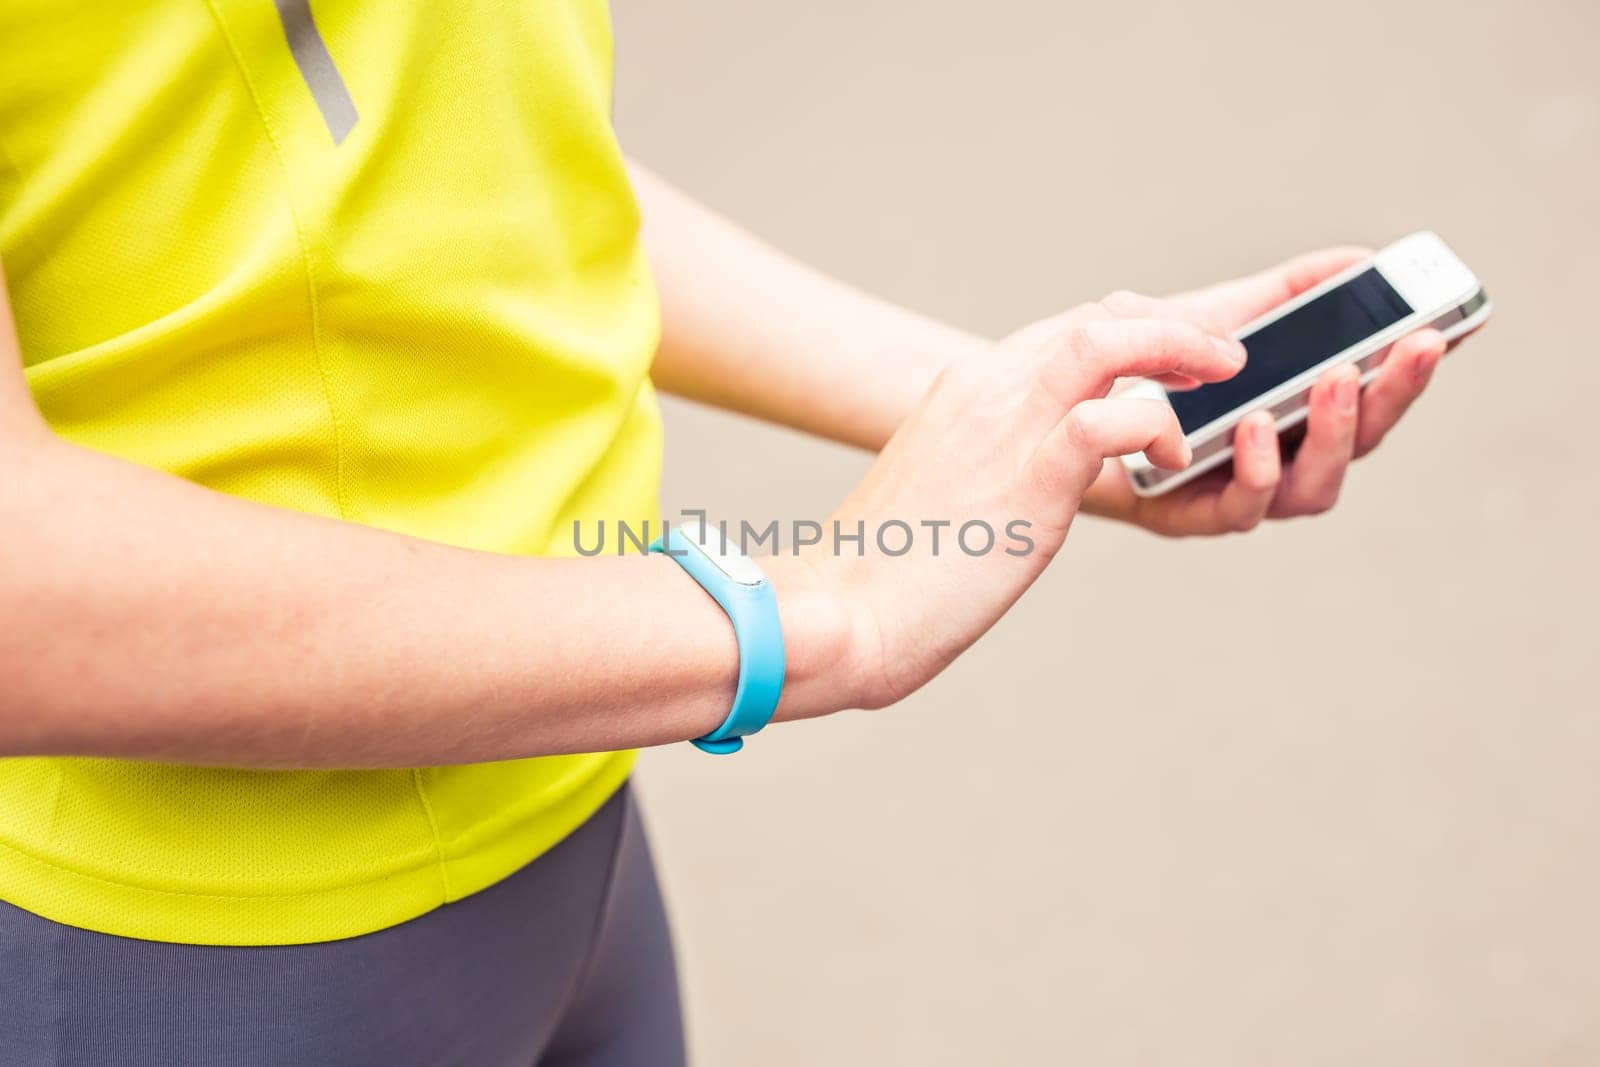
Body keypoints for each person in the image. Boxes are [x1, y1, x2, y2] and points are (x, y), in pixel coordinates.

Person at [0, 2, 1454, 1064]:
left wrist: (1042, 424)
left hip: (571, 815)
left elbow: (463, 169)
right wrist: (813, 617)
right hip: (198, 956)